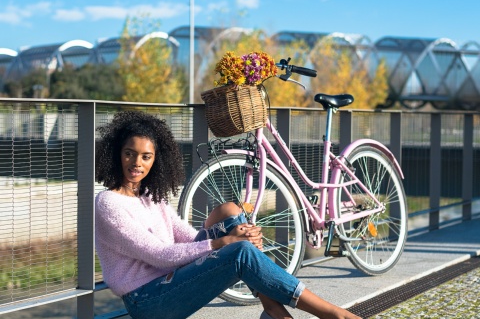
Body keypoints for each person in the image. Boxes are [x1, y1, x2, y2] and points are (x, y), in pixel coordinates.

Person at [95, 110, 361, 319]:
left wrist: (236, 234)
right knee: (240, 251)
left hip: (171, 281)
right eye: (129, 154)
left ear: (156, 160)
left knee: (231, 212)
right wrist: (224, 243)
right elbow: (159, 255)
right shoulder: (108, 204)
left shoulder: (151, 197)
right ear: (116, 153)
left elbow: (187, 240)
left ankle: (274, 311)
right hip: (148, 300)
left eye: (145, 156)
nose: (136, 163)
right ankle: (330, 313)